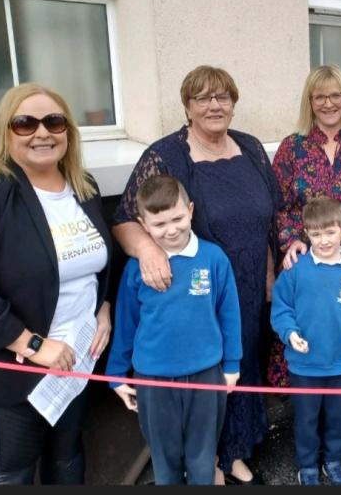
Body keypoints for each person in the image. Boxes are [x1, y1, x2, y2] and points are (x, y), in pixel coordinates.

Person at [112, 65, 280, 485]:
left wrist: (271, 272)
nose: (214, 105)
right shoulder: (167, 155)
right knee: (208, 373)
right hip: (196, 289)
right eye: (203, 98)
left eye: (223, 97)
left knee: (239, 367)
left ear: (234, 104)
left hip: (248, 282)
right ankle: (207, 463)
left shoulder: (252, 148)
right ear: (187, 106)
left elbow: (269, 217)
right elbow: (125, 219)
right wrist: (149, 249)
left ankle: (234, 453)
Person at [0, 83, 112, 484]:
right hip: (10, 367)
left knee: (67, 460)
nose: (42, 133)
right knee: (13, 475)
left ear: (68, 131)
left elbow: (98, 264)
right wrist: (33, 346)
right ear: (5, 131)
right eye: (24, 123)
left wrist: (102, 308)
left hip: (76, 356)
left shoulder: (83, 188)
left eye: (54, 121)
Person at [106, 175, 242, 485]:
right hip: (153, 377)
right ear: (143, 224)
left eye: (178, 218)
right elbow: (127, 323)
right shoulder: (137, 268)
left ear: (191, 210)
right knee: (164, 460)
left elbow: (229, 314)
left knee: (202, 456)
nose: (171, 230)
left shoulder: (213, 258)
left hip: (206, 373)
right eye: (159, 224)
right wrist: (116, 374)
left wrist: (232, 364)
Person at [267, 64, 341, 388]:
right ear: (310, 101)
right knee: (308, 319)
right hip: (306, 256)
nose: (328, 103)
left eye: (335, 95)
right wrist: (291, 241)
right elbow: (280, 204)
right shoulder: (292, 147)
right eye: (320, 97)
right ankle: (305, 405)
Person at [270, 197, 341, 486]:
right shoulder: (295, 270)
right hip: (304, 364)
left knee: (339, 418)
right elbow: (281, 310)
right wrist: (290, 333)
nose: (323, 240)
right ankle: (307, 464)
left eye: (330, 232)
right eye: (316, 234)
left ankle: (334, 460)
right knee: (306, 419)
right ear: (306, 233)